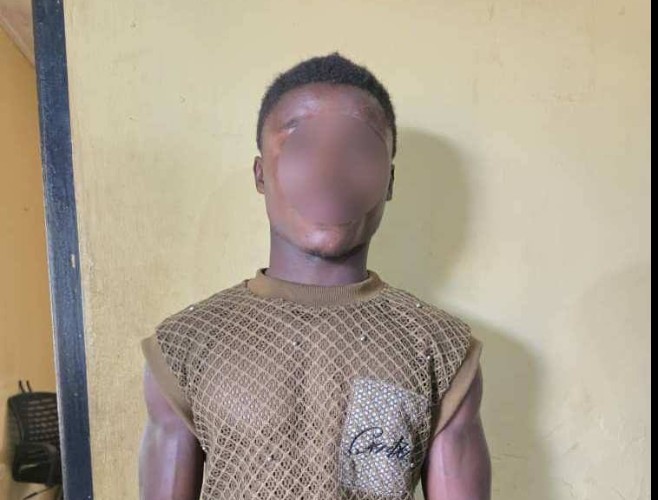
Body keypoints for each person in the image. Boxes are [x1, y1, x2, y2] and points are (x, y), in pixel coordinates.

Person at [139, 52, 491, 500]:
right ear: (260, 173)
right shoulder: (185, 346)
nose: (329, 174)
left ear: (389, 180)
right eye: (301, 145)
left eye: (359, 148)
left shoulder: (440, 349)